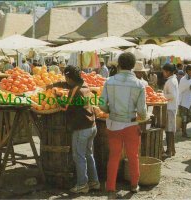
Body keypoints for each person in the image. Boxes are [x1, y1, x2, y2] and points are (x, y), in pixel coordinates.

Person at [100, 52, 147, 197]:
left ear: (119, 65)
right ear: (133, 66)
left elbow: (102, 104)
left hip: (113, 124)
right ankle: (134, 185)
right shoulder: (139, 84)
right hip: (131, 124)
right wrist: (143, 117)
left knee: (114, 156)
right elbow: (142, 111)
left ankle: (110, 187)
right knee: (133, 156)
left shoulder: (110, 81)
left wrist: (110, 110)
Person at [46, 66, 99, 194]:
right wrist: (55, 84)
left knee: (79, 156)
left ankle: (82, 185)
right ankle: (94, 182)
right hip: (92, 126)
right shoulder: (83, 84)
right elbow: (68, 85)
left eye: (66, 77)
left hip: (82, 129)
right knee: (88, 154)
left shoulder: (76, 91)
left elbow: (65, 107)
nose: (65, 80)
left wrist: (55, 95)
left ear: (69, 78)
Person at [162, 63, 179, 157]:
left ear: (168, 72)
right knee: (170, 130)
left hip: (170, 108)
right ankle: (172, 150)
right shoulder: (172, 80)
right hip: (171, 107)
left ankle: (169, 151)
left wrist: (162, 95)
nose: (163, 73)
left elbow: (172, 95)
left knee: (169, 130)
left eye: (164, 71)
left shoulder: (171, 81)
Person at [178, 64, 191, 138]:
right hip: (184, 101)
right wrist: (189, 86)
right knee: (184, 117)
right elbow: (181, 89)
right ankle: (184, 133)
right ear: (188, 71)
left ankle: (183, 127)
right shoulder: (183, 79)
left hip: (190, 99)